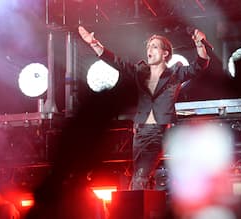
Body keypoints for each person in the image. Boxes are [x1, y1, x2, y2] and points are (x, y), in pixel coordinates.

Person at [78, 26, 210, 190]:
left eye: (154, 46)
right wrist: (95, 44)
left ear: (165, 53)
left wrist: (199, 45)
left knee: (140, 176)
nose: (149, 49)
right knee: (142, 175)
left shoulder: (175, 73)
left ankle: (134, 208)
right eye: (148, 46)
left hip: (158, 130)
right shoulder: (140, 71)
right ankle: (148, 208)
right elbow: (117, 62)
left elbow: (199, 65)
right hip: (140, 131)